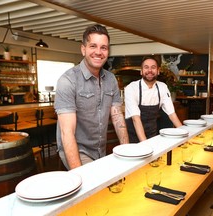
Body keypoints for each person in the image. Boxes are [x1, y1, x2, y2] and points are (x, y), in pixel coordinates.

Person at [54, 24, 129, 170]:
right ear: (83, 49)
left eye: (103, 47)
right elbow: (67, 132)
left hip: (100, 148)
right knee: (95, 185)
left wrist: (127, 152)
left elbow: (117, 116)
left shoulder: (111, 79)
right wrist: (80, 174)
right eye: (93, 46)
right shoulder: (68, 80)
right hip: (77, 149)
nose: (98, 52)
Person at [124, 56, 182, 143]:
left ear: (158, 71)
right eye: (146, 67)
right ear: (141, 71)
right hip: (134, 137)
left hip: (152, 136)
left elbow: (172, 115)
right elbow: (136, 119)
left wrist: (184, 135)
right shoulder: (131, 88)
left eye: (153, 67)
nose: (150, 70)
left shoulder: (162, 87)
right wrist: (146, 145)